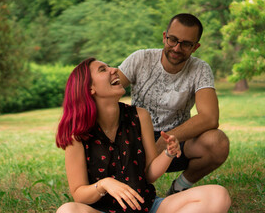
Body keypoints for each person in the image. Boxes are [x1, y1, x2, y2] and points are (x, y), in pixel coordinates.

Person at [56, 58, 231, 213]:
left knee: (218, 195)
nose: (113, 70)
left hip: (147, 207)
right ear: (90, 88)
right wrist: (104, 184)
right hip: (102, 210)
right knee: (67, 210)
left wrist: (168, 153)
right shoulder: (77, 134)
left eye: (109, 66)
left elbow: (149, 174)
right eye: (103, 69)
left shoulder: (140, 116)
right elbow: (79, 194)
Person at [118, 13, 230, 195]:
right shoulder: (140, 59)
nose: (177, 48)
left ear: (196, 47)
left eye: (186, 44)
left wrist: (166, 139)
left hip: (177, 144)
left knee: (218, 143)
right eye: (173, 40)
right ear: (164, 37)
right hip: (135, 139)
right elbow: (106, 91)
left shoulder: (200, 69)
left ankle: (179, 188)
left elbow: (210, 118)